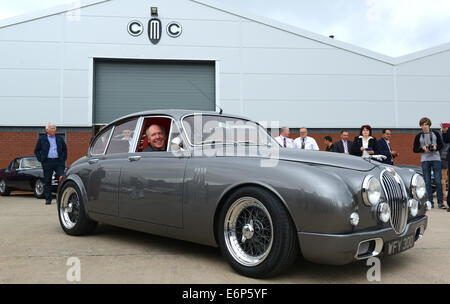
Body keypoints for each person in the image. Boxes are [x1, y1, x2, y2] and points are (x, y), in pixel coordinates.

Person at [413, 117, 444, 209]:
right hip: (425, 160)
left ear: (429, 125)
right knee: (427, 182)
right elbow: (414, 149)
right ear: (421, 126)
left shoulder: (436, 133)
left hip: (436, 159)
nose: (424, 126)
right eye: (423, 125)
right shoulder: (418, 136)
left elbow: (441, 145)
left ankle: (440, 202)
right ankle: (429, 202)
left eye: (426, 124)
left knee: (438, 181)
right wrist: (422, 148)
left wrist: (435, 147)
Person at [34, 123, 67, 205]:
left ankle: (60, 197)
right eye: (51, 128)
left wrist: (63, 159)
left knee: (61, 177)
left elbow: (64, 149)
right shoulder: (42, 139)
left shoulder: (59, 138)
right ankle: (48, 198)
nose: (53, 130)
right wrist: (41, 159)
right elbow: (36, 150)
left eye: (54, 128)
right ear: (47, 130)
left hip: (58, 162)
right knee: (47, 180)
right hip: (47, 162)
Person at [440, 123, 450, 211]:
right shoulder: (445, 135)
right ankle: (445, 196)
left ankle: (445, 196)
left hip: (444, 158)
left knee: (444, 179)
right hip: (444, 159)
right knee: (444, 179)